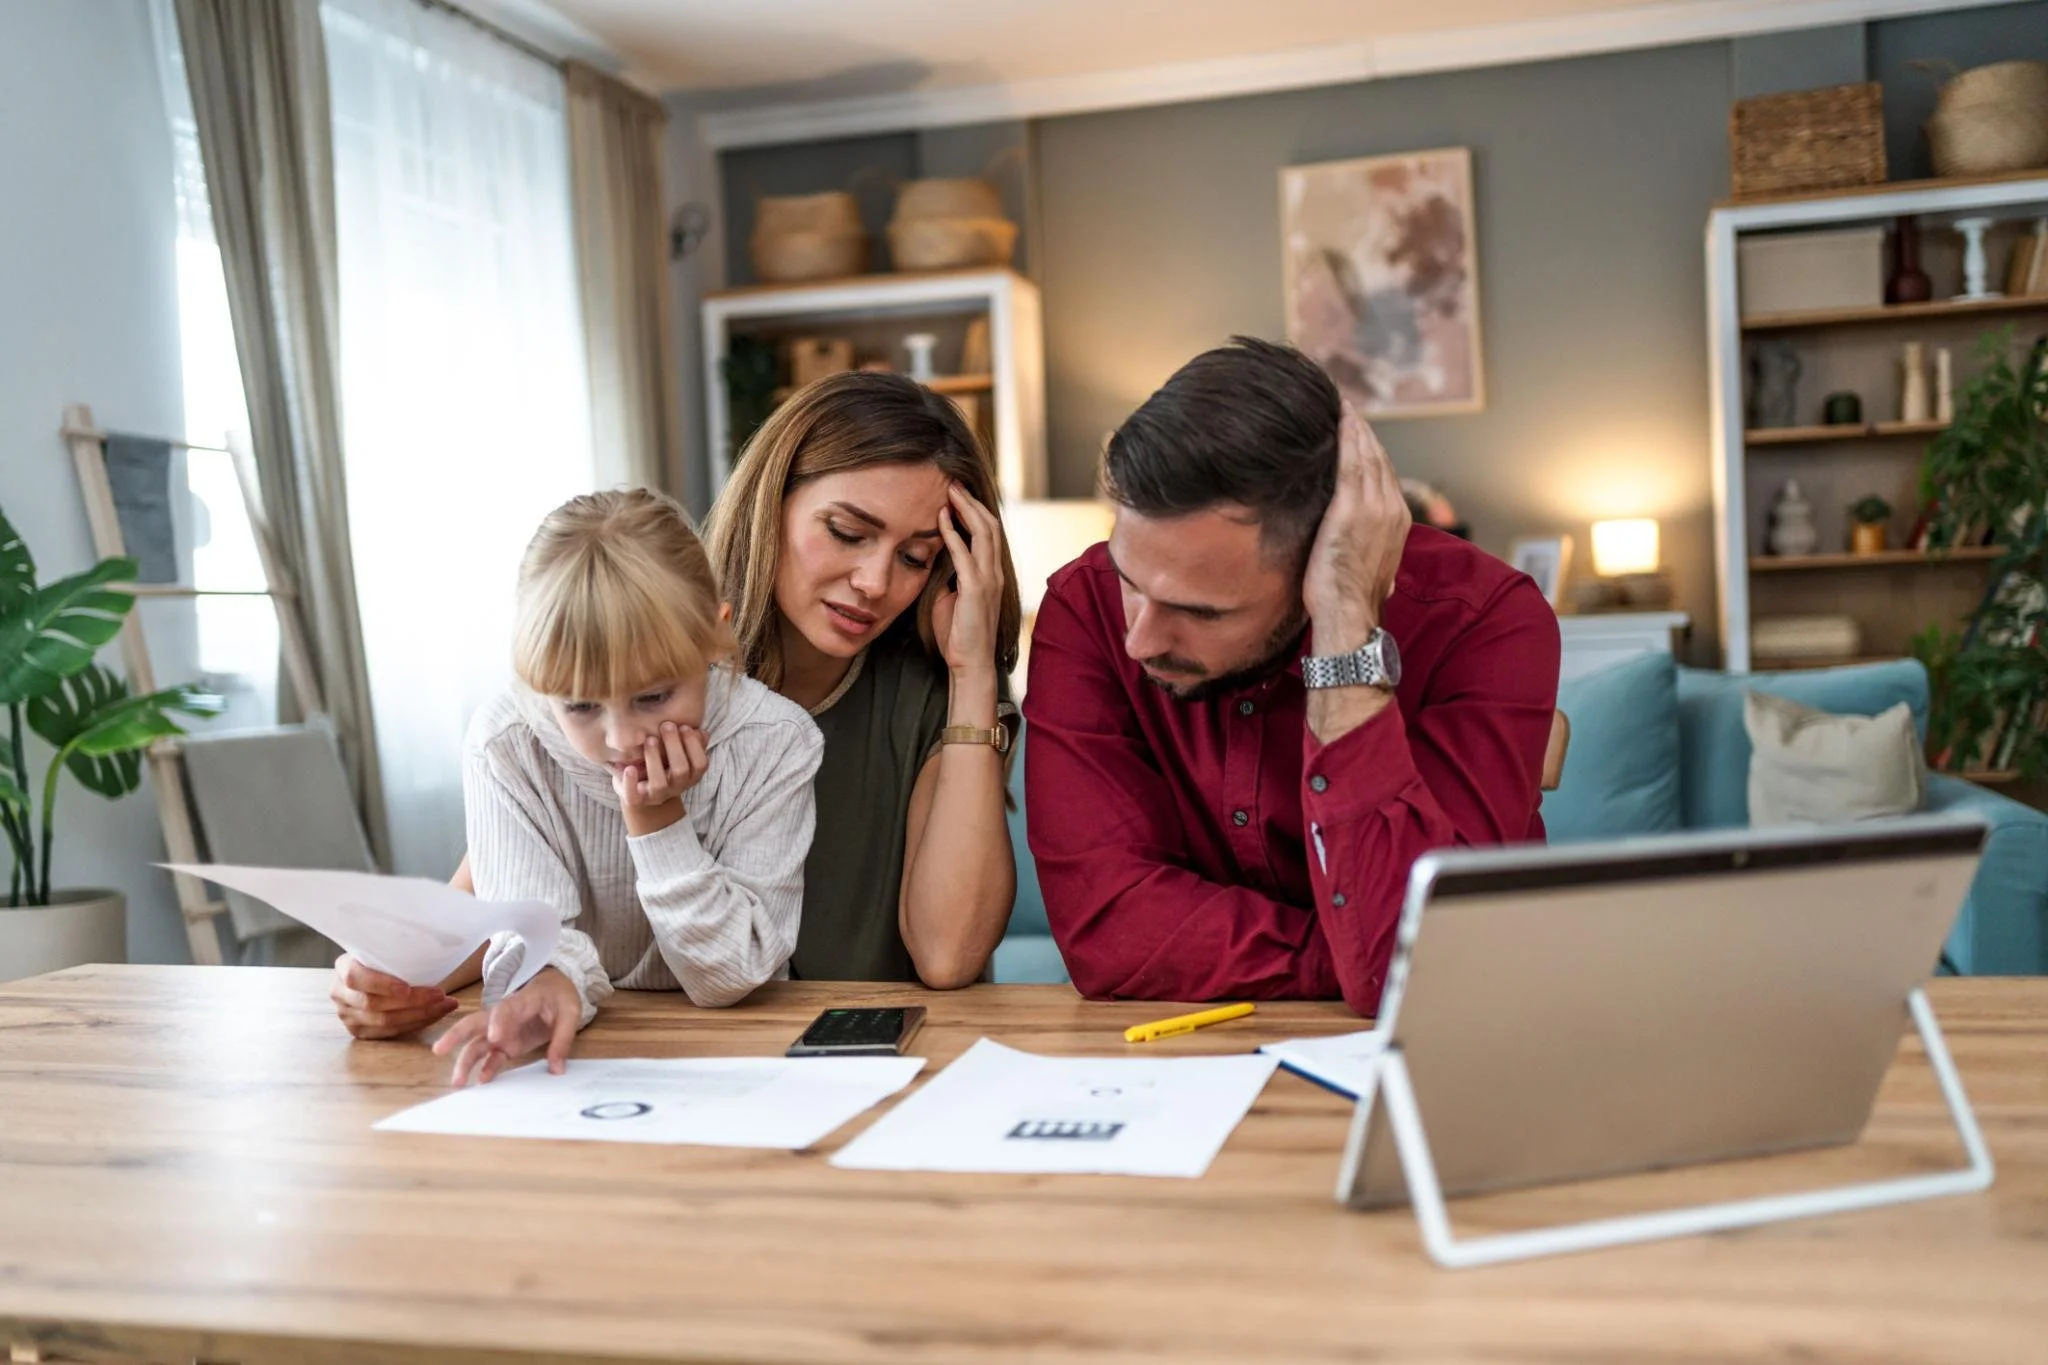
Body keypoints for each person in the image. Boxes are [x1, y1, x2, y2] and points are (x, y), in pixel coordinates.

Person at [332, 374, 1022, 1046]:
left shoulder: (932, 692)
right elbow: (501, 900)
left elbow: (947, 954)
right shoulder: (648, 648)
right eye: (846, 531)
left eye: (914, 555)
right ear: (770, 501)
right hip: (657, 1059)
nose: (875, 582)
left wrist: (972, 673)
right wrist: (392, 983)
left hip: (858, 1054)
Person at [1022, 338, 1559, 1016]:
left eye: (1200, 611)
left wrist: (1344, 631)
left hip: (1454, 1041)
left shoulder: (1484, 620)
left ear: (1316, 562)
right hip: (1195, 1056)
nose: (1139, 639)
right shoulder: (1083, 607)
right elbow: (1108, 928)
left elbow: (1424, 969)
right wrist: (1358, 953)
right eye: (1131, 581)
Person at [338, 489, 823, 1084]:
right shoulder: (508, 742)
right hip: (590, 1053)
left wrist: (660, 819)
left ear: (714, 639)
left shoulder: (775, 741)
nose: (621, 740)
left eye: (653, 696)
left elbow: (733, 975)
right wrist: (542, 981)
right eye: (580, 705)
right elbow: (532, 934)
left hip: (744, 1054)